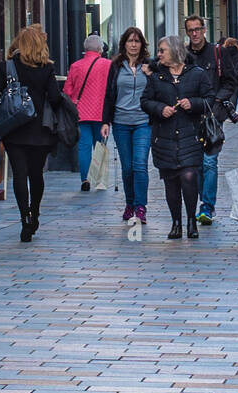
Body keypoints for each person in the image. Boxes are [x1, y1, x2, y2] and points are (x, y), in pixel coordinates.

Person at [0, 26, 64, 243]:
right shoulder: (46, 69)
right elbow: (54, 98)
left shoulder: (6, 67)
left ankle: (24, 216)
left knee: (19, 174)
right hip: (39, 130)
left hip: (14, 129)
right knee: (36, 174)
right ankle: (35, 212)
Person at [142, 34, 214, 238]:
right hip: (163, 138)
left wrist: (194, 104)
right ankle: (176, 222)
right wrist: (160, 108)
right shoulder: (157, 76)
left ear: (175, 51)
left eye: (162, 50)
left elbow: (209, 99)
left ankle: (192, 220)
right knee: (171, 182)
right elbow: (145, 101)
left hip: (190, 135)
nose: (158, 55)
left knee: (189, 177)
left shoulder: (197, 74)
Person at [185, 15, 238, 225]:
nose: (194, 33)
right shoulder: (184, 54)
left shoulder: (219, 52)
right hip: (190, 116)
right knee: (196, 164)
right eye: (191, 30)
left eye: (197, 29)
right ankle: (202, 201)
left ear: (204, 29)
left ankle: (207, 206)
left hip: (211, 117)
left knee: (209, 162)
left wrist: (217, 102)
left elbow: (231, 82)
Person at [103, 27, 153, 223]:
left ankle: (141, 206)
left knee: (140, 164)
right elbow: (109, 94)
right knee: (127, 167)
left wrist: (151, 75)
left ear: (142, 44)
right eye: (130, 41)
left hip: (143, 122)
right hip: (121, 122)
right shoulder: (115, 66)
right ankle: (130, 203)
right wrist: (105, 121)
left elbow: (158, 90)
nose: (133, 45)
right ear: (124, 44)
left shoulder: (150, 65)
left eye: (137, 41)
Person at [63, 34, 111, 191]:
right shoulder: (108, 65)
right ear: (99, 49)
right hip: (101, 112)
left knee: (83, 147)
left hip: (81, 112)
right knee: (100, 146)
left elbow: (67, 91)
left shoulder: (76, 66)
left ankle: (85, 179)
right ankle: (99, 179)